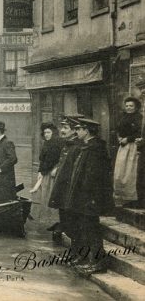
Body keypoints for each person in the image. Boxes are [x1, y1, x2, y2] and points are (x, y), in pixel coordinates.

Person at [65, 118, 114, 275]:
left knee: (92, 229)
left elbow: (95, 177)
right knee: (85, 228)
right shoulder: (87, 147)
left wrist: (92, 197)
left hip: (91, 197)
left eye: (79, 129)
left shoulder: (95, 149)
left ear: (87, 131)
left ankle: (99, 262)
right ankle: (88, 258)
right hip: (83, 197)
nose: (77, 131)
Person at [49, 114, 85, 245]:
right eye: (61, 127)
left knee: (72, 223)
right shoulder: (67, 145)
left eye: (65, 127)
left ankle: (79, 252)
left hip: (70, 192)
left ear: (75, 130)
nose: (62, 131)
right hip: (63, 190)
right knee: (66, 220)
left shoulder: (77, 146)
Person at [30, 123, 63, 225]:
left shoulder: (57, 143)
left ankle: (54, 220)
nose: (46, 134)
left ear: (53, 133)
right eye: (45, 132)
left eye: (48, 132)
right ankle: (46, 219)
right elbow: (43, 160)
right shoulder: (46, 143)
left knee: (50, 196)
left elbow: (57, 159)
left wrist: (55, 168)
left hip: (52, 173)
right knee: (44, 195)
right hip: (46, 172)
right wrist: (40, 171)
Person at [114, 97, 142, 207]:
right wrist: (119, 137)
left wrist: (128, 139)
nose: (129, 108)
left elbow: (140, 133)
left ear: (136, 107)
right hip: (123, 146)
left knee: (130, 172)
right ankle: (123, 199)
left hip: (133, 146)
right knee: (120, 172)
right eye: (127, 106)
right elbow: (118, 129)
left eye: (131, 106)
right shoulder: (123, 117)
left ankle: (132, 199)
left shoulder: (139, 118)